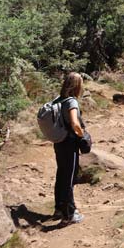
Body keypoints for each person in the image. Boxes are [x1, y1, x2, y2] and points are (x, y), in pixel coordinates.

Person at [53, 72, 85, 225]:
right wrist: (81, 134)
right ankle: (69, 215)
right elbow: (74, 122)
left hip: (59, 142)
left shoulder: (60, 99)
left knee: (61, 174)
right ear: (77, 85)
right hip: (69, 143)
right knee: (69, 178)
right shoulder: (72, 102)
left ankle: (59, 208)